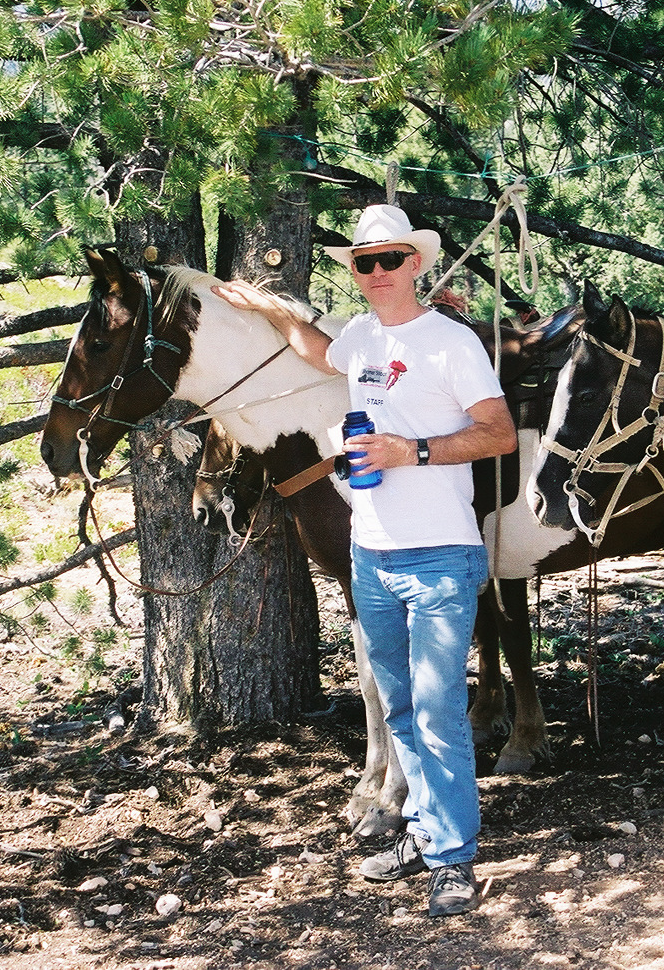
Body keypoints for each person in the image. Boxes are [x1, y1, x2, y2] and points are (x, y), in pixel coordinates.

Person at [212, 204, 517, 918]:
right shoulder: (360, 337)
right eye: (364, 261)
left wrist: (410, 451)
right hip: (371, 554)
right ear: (355, 271)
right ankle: (426, 832)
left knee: (438, 712)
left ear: (416, 263)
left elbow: (499, 433)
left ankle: (452, 859)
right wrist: (267, 307)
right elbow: (318, 350)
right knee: (402, 708)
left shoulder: (451, 342)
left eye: (390, 259)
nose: (377, 271)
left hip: (439, 553)